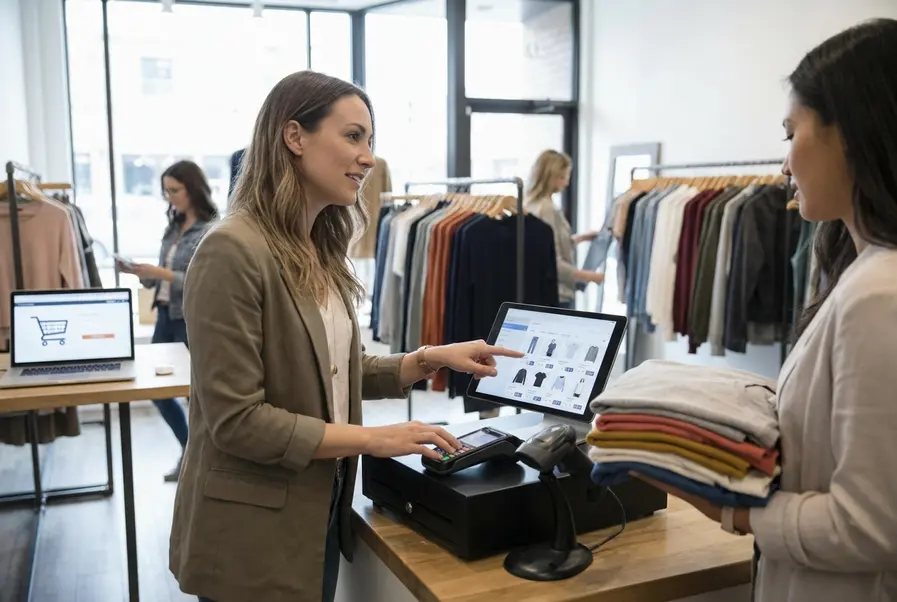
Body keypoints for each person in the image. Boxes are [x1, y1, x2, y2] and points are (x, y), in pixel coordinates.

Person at [168, 71, 523, 602]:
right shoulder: (231, 250)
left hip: (318, 513)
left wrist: (429, 358)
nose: (368, 158)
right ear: (294, 137)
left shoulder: (316, 247)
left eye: (370, 140)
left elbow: (336, 370)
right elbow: (238, 422)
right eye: (353, 136)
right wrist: (374, 438)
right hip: (250, 535)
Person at [635, 19, 897, 601]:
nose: (783, 167)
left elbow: (871, 525)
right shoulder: (860, 273)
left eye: (790, 133)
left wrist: (726, 508)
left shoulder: (880, 294)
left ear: (850, 132)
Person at [117, 160, 218, 482]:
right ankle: (190, 451)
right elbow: (161, 278)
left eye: (174, 190)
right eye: (165, 191)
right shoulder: (174, 226)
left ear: (193, 189)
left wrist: (160, 273)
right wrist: (140, 273)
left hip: (188, 318)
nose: (169, 197)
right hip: (164, 315)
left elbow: (205, 281)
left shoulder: (211, 230)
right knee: (157, 389)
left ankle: (202, 462)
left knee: (196, 394)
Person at [524, 149, 605, 309]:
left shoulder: (529, 205)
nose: (566, 183)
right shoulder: (547, 209)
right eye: (562, 177)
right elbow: (553, 261)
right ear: (549, 177)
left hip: (541, 291)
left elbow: (549, 247)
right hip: (556, 294)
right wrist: (590, 276)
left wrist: (582, 238)